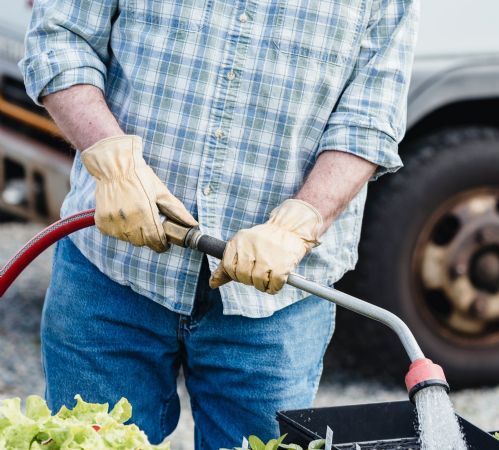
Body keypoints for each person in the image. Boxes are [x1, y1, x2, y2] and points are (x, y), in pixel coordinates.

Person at [20, 0, 419, 447]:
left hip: (274, 306)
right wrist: (112, 159)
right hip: (112, 273)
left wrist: (302, 219)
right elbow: (61, 38)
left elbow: (368, 119)